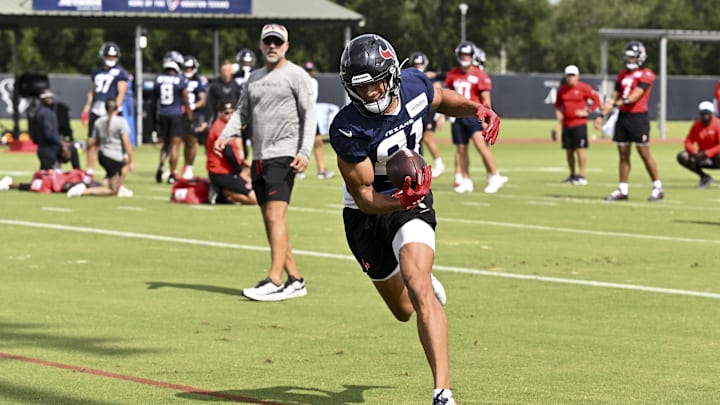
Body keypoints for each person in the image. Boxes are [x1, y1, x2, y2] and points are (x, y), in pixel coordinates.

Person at [329, 34, 500, 405]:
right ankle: (419, 277)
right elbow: (365, 197)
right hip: (368, 212)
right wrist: (397, 199)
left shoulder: (414, 85)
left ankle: (442, 391)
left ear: (391, 75)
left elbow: (440, 98)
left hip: (414, 199)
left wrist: (476, 110)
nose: (370, 93)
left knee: (418, 283)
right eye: (360, 87)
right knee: (404, 309)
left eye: (375, 83)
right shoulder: (347, 127)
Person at [213, 23, 316, 302]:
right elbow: (241, 113)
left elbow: (310, 116)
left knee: (275, 217)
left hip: (283, 156)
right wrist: (225, 136)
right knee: (271, 221)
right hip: (259, 157)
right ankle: (295, 279)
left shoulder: (297, 75)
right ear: (261, 45)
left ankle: (275, 279)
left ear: (286, 46)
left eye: (277, 42)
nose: (272, 46)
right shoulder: (254, 78)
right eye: (268, 42)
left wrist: (304, 152)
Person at [600, 40, 663, 201]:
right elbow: (616, 95)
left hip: (638, 117)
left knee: (644, 153)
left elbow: (635, 96)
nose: (629, 60)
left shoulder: (647, 74)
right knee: (622, 153)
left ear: (640, 58)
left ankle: (657, 186)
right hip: (623, 116)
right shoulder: (622, 75)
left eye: (632, 58)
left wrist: (615, 104)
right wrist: (605, 109)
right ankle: (623, 188)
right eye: (627, 57)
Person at [445, 41, 507, 193]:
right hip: (458, 116)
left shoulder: (479, 74)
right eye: (462, 55)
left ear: (472, 56)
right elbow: (448, 94)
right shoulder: (453, 74)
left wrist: (487, 118)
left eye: (467, 55)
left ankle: (494, 176)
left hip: (474, 114)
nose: (465, 57)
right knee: (461, 148)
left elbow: (486, 98)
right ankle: (466, 179)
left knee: (481, 146)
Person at [67, 99, 134, 197]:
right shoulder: (121, 121)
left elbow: (95, 141)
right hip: (115, 156)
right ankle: (82, 191)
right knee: (113, 190)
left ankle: (117, 185)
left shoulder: (99, 122)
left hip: (103, 155)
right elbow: (126, 142)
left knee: (114, 174)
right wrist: (131, 160)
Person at [553, 64, 602, 185]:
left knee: (580, 149)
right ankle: (572, 174)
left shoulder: (583, 88)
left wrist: (588, 111)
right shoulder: (562, 89)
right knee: (569, 151)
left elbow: (596, 99)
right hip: (567, 124)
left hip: (579, 123)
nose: (570, 78)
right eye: (568, 75)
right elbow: (557, 104)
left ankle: (582, 175)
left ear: (577, 76)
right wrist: (558, 113)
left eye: (572, 75)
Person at [153, 51, 192, 184]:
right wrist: (189, 116)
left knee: (165, 144)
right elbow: (185, 99)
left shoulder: (158, 79)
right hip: (176, 115)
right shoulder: (180, 80)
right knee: (175, 145)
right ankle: (172, 173)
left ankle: (161, 165)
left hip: (163, 114)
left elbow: (154, 100)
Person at [206, 101, 257, 205]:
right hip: (222, 173)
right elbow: (228, 153)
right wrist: (239, 171)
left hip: (229, 170)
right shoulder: (219, 128)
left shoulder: (227, 126)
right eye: (226, 113)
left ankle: (224, 191)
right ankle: (222, 192)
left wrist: (243, 163)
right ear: (219, 113)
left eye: (231, 113)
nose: (229, 116)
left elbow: (236, 146)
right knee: (256, 199)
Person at [81, 42, 129, 139]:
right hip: (97, 107)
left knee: (113, 140)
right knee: (91, 140)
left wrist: (114, 111)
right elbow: (92, 92)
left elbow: (121, 94)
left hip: (111, 107)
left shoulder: (120, 73)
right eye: (108, 56)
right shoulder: (97, 72)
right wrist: (86, 108)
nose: (111, 58)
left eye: (113, 56)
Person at [409, 51, 446, 178]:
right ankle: (420, 167)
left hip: (429, 111)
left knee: (427, 138)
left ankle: (439, 163)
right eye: (416, 64)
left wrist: (441, 115)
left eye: (420, 64)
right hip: (416, 111)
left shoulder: (430, 76)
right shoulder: (411, 77)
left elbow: (440, 93)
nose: (418, 66)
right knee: (417, 139)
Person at [29, 89, 80, 171]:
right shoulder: (46, 113)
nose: (50, 99)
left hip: (42, 148)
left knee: (45, 175)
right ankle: (78, 174)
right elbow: (49, 133)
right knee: (73, 150)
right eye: (47, 98)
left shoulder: (38, 111)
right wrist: (61, 144)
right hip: (50, 149)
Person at [301, 61, 335, 180]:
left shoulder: (313, 82)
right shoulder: (298, 82)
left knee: (318, 141)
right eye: (307, 70)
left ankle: (321, 170)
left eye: (310, 70)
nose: (308, 73)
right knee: (300, 143)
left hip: (310, 115)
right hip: (301, 116)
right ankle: (297, 170)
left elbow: (311, 99)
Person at [676, 101, 720, 188]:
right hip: (702, 156)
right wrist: (694, 153)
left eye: (707, 113)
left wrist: (706, 154)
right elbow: (688, 141)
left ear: (712, 114)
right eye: (703, 113)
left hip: (715, 157)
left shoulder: (718, 124)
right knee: (682, 156)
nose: (705, 116)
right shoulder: (696, 125)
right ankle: (704, 177)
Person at [181, 55, 208, 179]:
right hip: (179, 115)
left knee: (192, 143)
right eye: (186, 68)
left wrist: (192, 106)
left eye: (190, 68)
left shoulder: (198, 82)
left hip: (194, 116)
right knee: (181, 143)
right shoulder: (179, 79)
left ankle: (189, 168)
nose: (188, 70)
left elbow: (203, 99)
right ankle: (181, 167)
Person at [206, 59, 242, 126]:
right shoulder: (215, 86)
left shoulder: (236, 86)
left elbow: (240, 103)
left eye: (228, 71)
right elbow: (210, 105)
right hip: (219, 120)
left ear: (231, 71)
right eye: (224, 71)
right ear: (221, 71)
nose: (226, 73)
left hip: (233, 120)